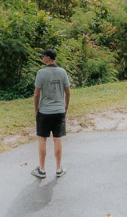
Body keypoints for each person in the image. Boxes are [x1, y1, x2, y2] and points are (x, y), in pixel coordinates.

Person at [31, 48, 71, 179]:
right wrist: (65, 106)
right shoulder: (62, 72)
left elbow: (37, 94)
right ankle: (59, 168)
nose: (42, 58)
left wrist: (36, 109)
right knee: (57, 139)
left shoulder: (41, 73)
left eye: (43, 56)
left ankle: (41, 170)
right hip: (59, 111)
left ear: (48, 58)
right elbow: (68, 92)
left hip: (45, 111)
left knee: (42, 138)